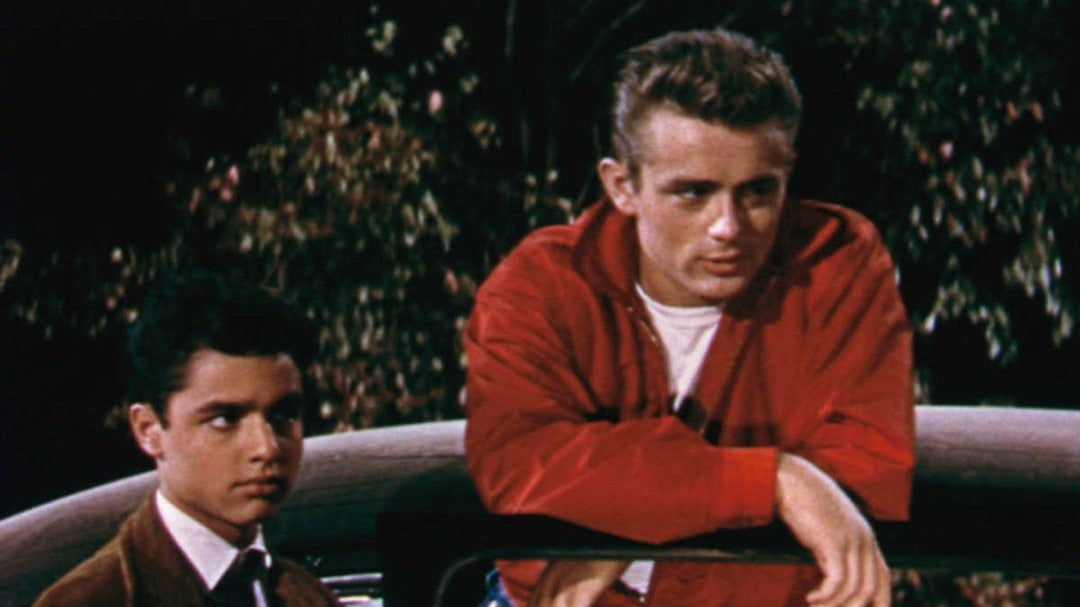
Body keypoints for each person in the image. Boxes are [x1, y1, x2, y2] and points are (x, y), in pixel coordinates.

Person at [464, 27, 915, 607]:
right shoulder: (539, 287)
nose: (728, 227)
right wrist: (775, 481)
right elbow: (522, 465)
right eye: (693, 193)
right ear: (622, 187)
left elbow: (865, 473)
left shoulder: (838, 265)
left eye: (758, 192)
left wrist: (622, 520)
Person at [33, 270, 340, 606]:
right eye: (224, 419)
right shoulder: (91, 600)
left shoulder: (309, 598)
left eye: (284, 415)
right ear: (148, 430)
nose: (266, 447)